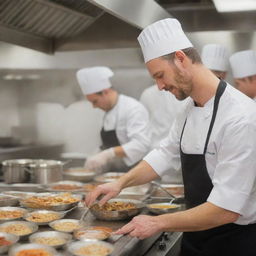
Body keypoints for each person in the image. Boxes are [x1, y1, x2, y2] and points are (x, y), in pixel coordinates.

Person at [85, 19, 256, 256]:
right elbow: (165, 154)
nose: (159, 86)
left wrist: (157, 223)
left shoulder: (241, 117)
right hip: (195, 234)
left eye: (160, 75)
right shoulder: (189, 108)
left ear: (181, 59)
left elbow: (226, 210)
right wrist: (119, 183)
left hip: (231, 243)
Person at [76, 66, 151, 173]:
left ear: (105, 92)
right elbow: (107, 143)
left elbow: (141, 144)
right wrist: (97, 154)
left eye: (95, 101)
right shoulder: (107, 111)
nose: (94, 106)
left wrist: (108, 154)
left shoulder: (133, 108)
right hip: (113, 172)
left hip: (135, 171)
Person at [140, 85, 187, 183]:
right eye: (156, 77)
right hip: (155, 158)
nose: (160, 85)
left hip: (184, 162)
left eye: (160, 75)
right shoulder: (147, 94)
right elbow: (144, 129)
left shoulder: (186, 94)